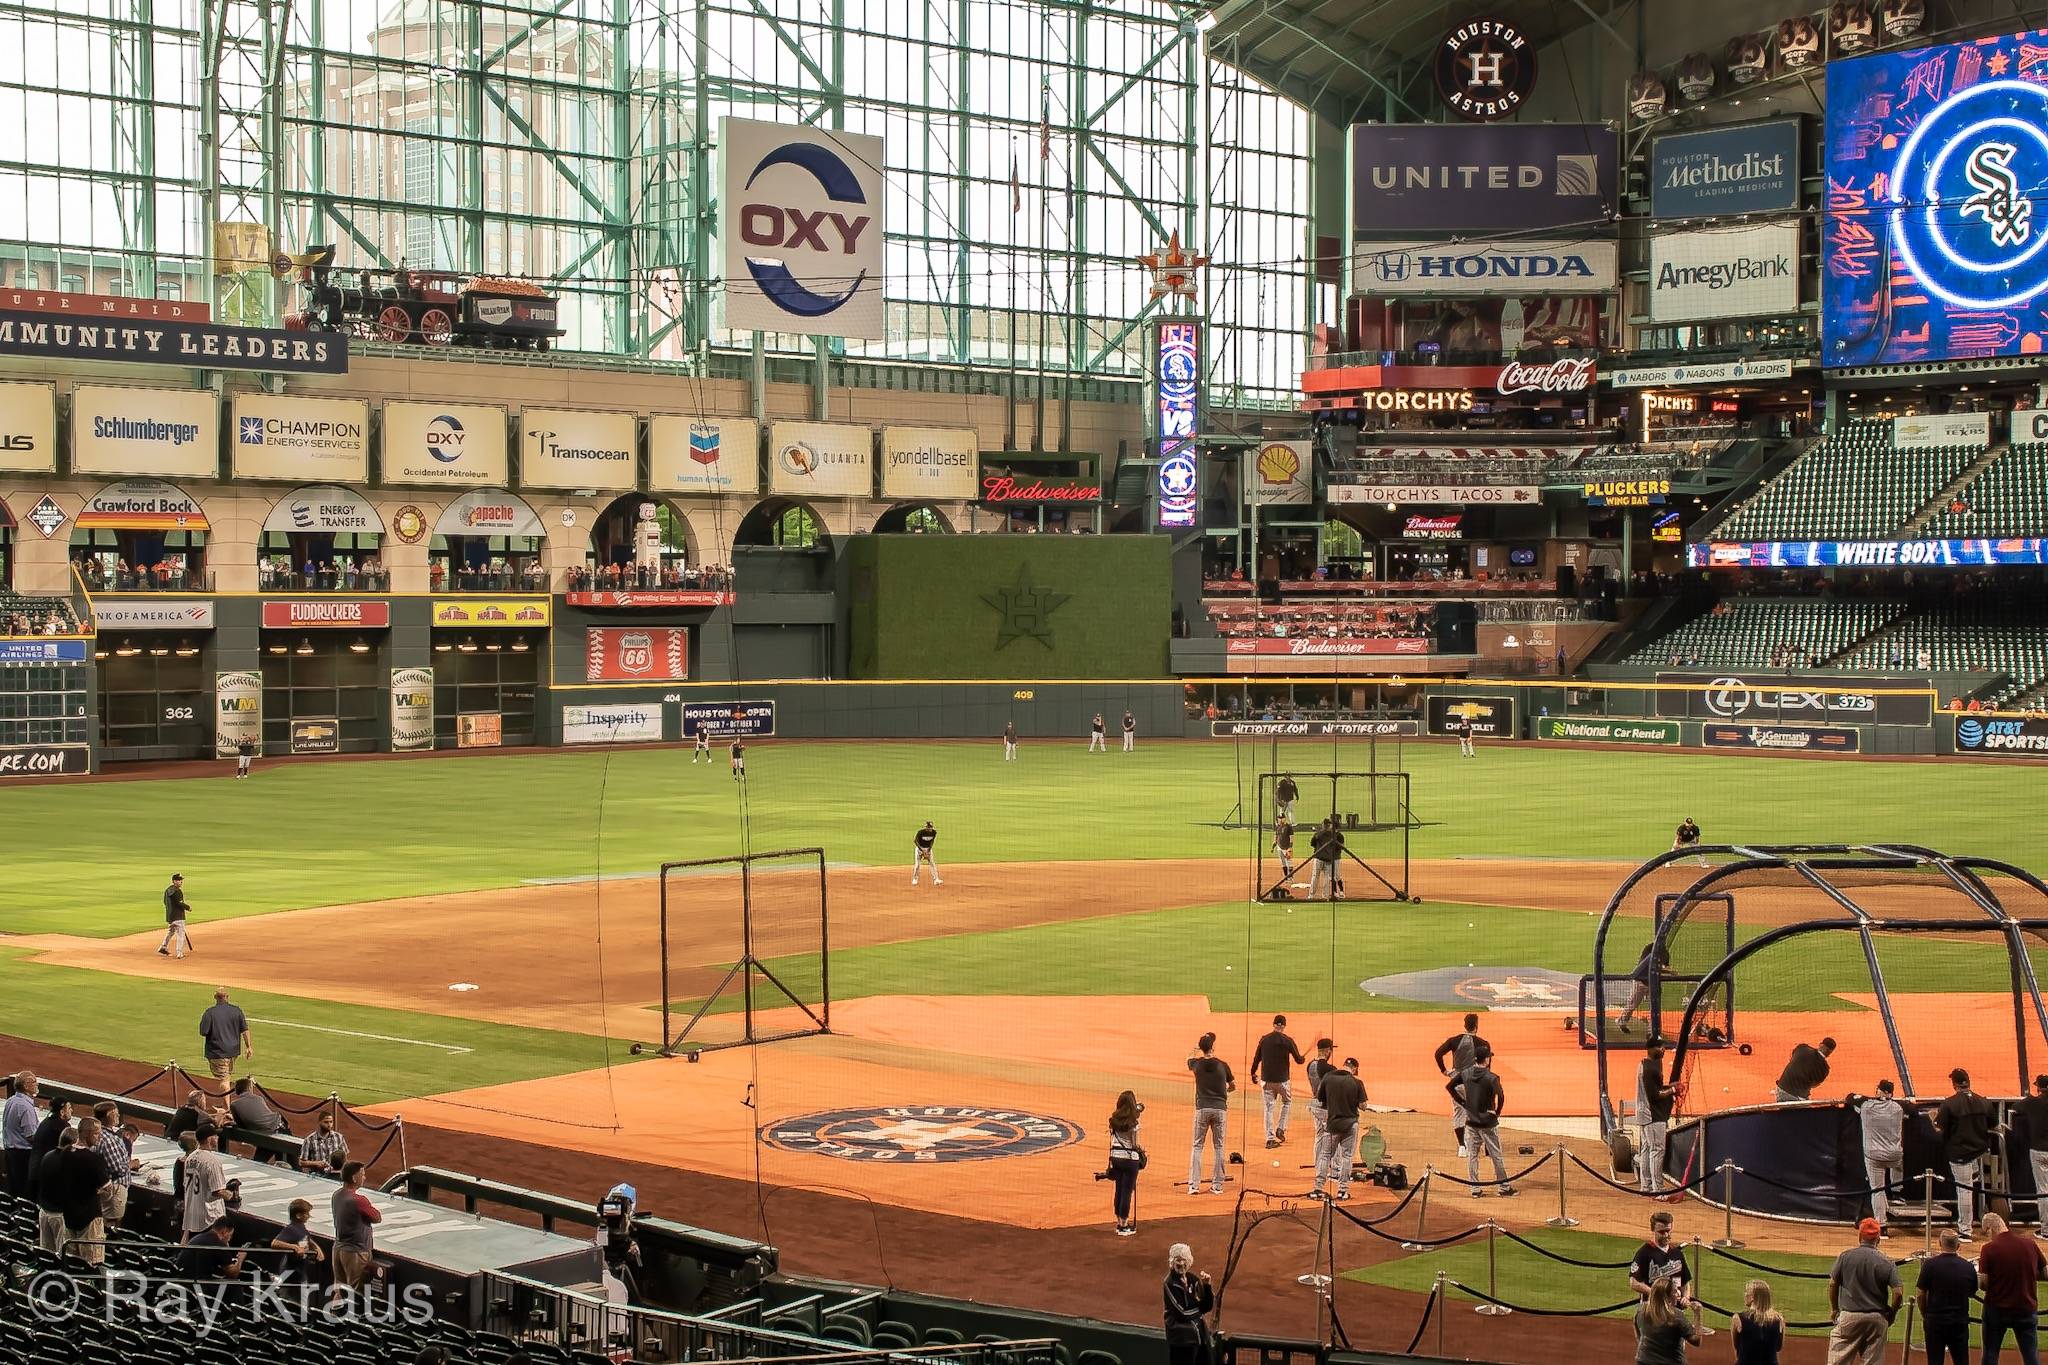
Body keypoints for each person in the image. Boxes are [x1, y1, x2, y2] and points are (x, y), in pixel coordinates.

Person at [1827, 1217, 1903, 1365]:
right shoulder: (1887, 1261)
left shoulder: (1845, 1256)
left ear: (1860, 1236)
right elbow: (1898, 1293)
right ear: (1878, 1239)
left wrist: (1835, 1309)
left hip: (1850, 1317)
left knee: (1838, 1361)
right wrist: (1891, 1315)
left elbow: (1832, 1284)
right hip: (1877, 1318)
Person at [1446, 1044, 1515, 1197]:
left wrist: (1463, 1102)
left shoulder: (1466, 1073)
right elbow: (1501, 1096)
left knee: (1472, 1155)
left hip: (1471, 1121)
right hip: (1488, 1122)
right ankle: (1504, 1187)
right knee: (1496, 1154)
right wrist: (1497, 1112)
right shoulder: (1492, 1077)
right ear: (1487, 1059)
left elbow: (1450, 1086)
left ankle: (1475, 1189)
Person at [1979, 1211, 2046, 1364]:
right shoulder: (2030, 1244)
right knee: (2031, 1356)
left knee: (1990, 1354)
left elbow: (1983, 1284)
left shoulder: (1988, 1249)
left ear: (1990, 1228)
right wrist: (2025, 1275)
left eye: (1986, 1232)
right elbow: (2046, 1272)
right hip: (2026, 1308)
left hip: (1996, 1309)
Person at [1935, 1067, 1994, 1240]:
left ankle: (1965, 1231)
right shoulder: (1984, 1102)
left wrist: (1933, 1120)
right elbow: (1993, 1125)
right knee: (1970, 1186)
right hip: (1979, 1152)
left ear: (1954, 1084)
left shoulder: (1949, 1103)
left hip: (1961, 1154)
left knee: (1964, 1191)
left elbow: (1940, 1128)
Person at [1916, 1228, 1978, 1365]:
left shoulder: (1929, 1265)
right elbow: (1972, 1292)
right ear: (1958, 1245)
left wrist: (1925, 1314)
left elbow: (1920, 1294)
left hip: (1935, 1321)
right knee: (1962, 1361)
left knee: (1934, 1361)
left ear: (1939, 1243)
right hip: (1959, 1322)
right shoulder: (1967, 1267)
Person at [56, 1115, 112, 1265]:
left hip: (69, 1216)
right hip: (90, 1218)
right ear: (86, 1133)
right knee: (91, 1264)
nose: (99, 1137)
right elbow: (108, 1190)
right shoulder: (94, 1159)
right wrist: (96, 1191)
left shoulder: (65, 1152)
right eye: (97, 1133)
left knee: (72, 1263)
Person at [1853, 1080, 1906, 1232]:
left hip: (1874, 1157)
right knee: (1899, 1159)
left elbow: (1851, 1098)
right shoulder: (1898, 1108)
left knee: (1877, 1189)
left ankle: (1882, 1226)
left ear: (1879, 1091)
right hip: (1894, 1156)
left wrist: (1874, 1098)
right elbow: (1913, 1109)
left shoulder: (1867, 1106)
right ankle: (1897, 1192)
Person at [1312, 1056, 1366, 1202]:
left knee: (1325, 1155)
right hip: (1350, 1124)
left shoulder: (1329, 1077)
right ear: (1354, 1069)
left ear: (1343, 1065)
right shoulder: (1356, 1082)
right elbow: (1363, 1106)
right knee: (1347, 1157)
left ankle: (1317, 1189)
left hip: (1332, 1124)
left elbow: (1320, 1099)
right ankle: (1342, 1191)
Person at [1186, 1033, 1233, 1196]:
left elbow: (1189, 1058)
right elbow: (1232, 1085)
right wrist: (1224, 1090)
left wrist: (1196, 1048)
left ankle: (1193, 1186)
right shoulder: (1222, 1065)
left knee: (1197, 1146)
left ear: (1202, 1048)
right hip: (1220, 1109)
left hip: (1202, 1109)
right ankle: (1218, 1185)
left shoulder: (1196, 1064)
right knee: (1219, 1146)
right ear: (1213, 1047)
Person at [1435, 1014, 1487, 1156]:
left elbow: (1438, 1053)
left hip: (1457, 1083)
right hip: (1475, 1084)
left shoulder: (1454, 1041)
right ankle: (1484, 1146)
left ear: (1464, 1025)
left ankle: (1462, 1147)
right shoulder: (1483, 1043)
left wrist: (1444, 1071)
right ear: (1476, 1025)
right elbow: (1487, 1069)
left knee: (1459, 1113)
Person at [1250, 1015, 1304, 1148]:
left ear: (1274, 1025)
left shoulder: (1264, 1040)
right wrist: (1302, 1058)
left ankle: (1269, 1139)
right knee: (1287, 1102)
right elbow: (1299, 1060)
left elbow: (1257, 1058)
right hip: (1282, 1081)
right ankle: (1281, 1128)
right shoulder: (1288, 1040)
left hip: (1267, 1080)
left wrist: (1253, 1073)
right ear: (1284, 1026)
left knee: (1268, 1108)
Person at [331, 1160, 382, 1292]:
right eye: (362, 1174)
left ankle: (334, 1312)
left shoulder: (336, 1195)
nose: (364, 1177)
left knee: (339, 1289)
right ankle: (351, 1313)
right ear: (354, 1178)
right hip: (355, 1252)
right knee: (356, 1292)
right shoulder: (359, 1200)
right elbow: (377, 1217)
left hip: (338, 1248)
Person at [1162, 1243, 1214, 1365]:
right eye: (1177, 1260)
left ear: (1189, 1261)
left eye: (1183, 1260)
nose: (1181, 1263)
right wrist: (1199, 1311)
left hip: (1200, 1337)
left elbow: (1207, 1306)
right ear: (1172, 1262)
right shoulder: (1169, 1283)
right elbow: (1181, 1313)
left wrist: (1207, 1286)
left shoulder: (1193, 1279)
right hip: (1181, 1340)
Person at [1637, 1041, 1677, 1197]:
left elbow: (1655, 1089)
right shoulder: (1649, 1069)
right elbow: (1655, 1095)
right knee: (1657, 1150)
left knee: (1647, 1149)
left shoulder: (1644, 1064)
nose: (1663, 1050)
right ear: (1651, 1049)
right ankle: (1658, 1190)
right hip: (1652, 1115)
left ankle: (1645, 1187)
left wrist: (1669, 1087)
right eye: (1661, 1047)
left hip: (1644, 1113)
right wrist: (1673, 1090)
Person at [1634, 1275, 1701, 1365]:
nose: (1678, 1294)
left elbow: (1635, 1325)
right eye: (1674, 1291)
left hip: (1644, 1360)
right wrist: (1698, 1314)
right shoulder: (1675, 1315)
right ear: (1667, 1296)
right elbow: (1696, 1340)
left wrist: (1643, 1343)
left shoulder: (1641, 1310)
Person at [91, 1102, 138, 1229]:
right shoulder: (109, 1140)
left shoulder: (96, 1133)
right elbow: (118, 1169)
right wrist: (131, 1165)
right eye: (115, 1113)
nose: (118, 1115)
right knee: (111, 1225)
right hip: (114, 1188)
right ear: (107, 1115)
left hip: (102, 1186)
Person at [1629, 1211, 1692, 1301]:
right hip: (1652, 1308)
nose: (1666, 1235)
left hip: (1675, 1308)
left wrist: (1686, 1297)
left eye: (1668, 1231)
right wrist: (1656, 1294)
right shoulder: (1644, 1253)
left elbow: (1685, 1282)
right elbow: (1634, 1283)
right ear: (1653, 1230)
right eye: (1662, 1232)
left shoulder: (1677, 1253)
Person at [199, 986, 253, 1091]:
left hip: (217, 1052)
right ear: (227, 997)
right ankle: (226, 1104)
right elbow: (245, 1030)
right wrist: (249, 1047)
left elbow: (203, 1032)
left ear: (215, 997)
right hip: (233, 1052)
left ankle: (226, 1107)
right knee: (227, 1077)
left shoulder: (210, 1012)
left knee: (224, 1080)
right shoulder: (236, 1011)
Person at [1106, 1091, 1145, 1236]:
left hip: (1115, 1158)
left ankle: (1119, 1221)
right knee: (1127, 1192)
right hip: (1130, 1160)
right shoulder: (1133, 1123)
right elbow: (1135, 1144)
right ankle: (1123, 1225)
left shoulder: (1113, 1120)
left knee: (1119, 1189)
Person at [181, 1128, 230, 1239]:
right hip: (209, 1217)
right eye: (215, 1136)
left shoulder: (190, 1157)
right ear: (209, 1139)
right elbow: (217, 1191)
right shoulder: (212, 1161)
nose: (217, 1138)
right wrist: (230, 1194)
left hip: (192, 1213)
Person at [33, 1129, 75, 1254]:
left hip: (45, 1211)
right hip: (59, 1215)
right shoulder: (68, 1161)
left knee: (47, 1255)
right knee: (61, 1255)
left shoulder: (48, 1156)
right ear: (72, 1143)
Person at [1616, 940, 1670, 1034]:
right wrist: (1663, 969)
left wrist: (1668, 971)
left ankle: (1651, 1031)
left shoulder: (1665, 952)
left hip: (1653, 983)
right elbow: (1647, 965)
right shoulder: (1649, 948)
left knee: (1654, 1007)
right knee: (1633, 1004)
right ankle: (1622, 1022)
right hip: (1641, 981)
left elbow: (1665, 966)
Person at [269, 1198, 326, 1285]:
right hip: (290, 1276)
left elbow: (307, 1238)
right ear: (298, 1215)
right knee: (291, 1297)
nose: (309, 1216)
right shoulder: (291, 1229)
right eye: (306, 1213)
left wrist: (317, 1248)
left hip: (300, 1273)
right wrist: (294, 1247)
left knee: (303, 1296)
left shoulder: (301, 1227)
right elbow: (274, 1243)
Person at [228, 1077, 289, 1155]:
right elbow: (264, 1116)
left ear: (236, 1089)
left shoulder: (234, 1104)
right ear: (249, 1089)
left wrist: (232, 1122)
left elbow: (242, 1126)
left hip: (266, 1134)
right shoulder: (259, 1098)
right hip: (279, 1127)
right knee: (288, 1161)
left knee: (260, 1160)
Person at [177, 1216, 246, 1281]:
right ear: (224, 1231)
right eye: (230, 1235)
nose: (229, 1239)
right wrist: (240, 1259)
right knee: (236, 1287)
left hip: (181, 1280)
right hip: (198, 1286)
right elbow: (233, 1274)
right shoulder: (219, 1244)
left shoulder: (199, 1237)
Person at [1732, 1279, 1784, 1365]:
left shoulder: (1738, 1319)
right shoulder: (1779, 1319)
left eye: (1746, 1292)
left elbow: (1737, 1346)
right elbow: (1778, 1347)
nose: (1744, 1294)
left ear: (1752, 1297)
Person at [2021, 1074, 2048, 1236]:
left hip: (2039, 1151)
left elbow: (2017, 1107)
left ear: (2038, 1088)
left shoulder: (2032, 1102)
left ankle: (2046, 1230)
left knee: (2044, 1190)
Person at [3, 1071, 38, 1196]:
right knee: (24, 1192)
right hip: (22, 1155)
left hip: (10, 1151)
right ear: (26, 1086)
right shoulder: (25, 1106)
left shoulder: (11, 1100)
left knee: (13, 1190)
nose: (37, 1084)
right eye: (34, 1082)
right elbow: (31, 1136)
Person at [1774, 1037, 1836, 1104]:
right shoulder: (1824, 1069)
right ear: (1830, 1052)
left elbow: (1792, 1057)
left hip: (1781, 1090)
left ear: (1820, 1044)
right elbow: (1814, 1085)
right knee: (1806, 1112)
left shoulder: (1802, 1048)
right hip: (1797, 1098)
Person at [1304, 1038, 1336, 1147]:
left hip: (1315, 1104)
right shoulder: (1330, 1068)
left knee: (1319, 1136)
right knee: (1332, 1136)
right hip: (1326, 1107)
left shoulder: (1310, 1065)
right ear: (1328, 1051)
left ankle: (1318, 1163)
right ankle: (1332, 1163)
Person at [299, 1108, 349, 1175]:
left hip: (334, 1174)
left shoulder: (339, 1137)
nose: (329, 1125)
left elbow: (344, 1157)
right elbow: (301, 1162)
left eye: (331, 1122)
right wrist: (316, 1163)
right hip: (317, 1174)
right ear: (319, 1122)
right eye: (326, 1122)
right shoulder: (309, 1140)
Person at [159, 872, 193, 958]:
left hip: (170, 916)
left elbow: (165, 902)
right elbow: (180, 903)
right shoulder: (177, 891)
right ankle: (179, 953)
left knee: (171, 931)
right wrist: (188, 907)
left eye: (181, 880)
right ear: (174, 881)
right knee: (180, 934)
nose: (180, 882)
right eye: (178, 880)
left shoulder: (168, 890)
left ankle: (163, 947)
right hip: (178, 916)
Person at [1273, 817, 1296, 888]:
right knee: (1283, 863)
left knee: (1289, 862)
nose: (1280, 820)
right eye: (1279, 818)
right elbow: (1276, 836)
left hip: (1287, 847)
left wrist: (1290, 847)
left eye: (1282, 818)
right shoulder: (1278, 827)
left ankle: (1291, 878)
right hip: (1279, 847)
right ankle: (1286, 877)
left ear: (1284, 819)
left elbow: (1291, 838)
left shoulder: (1289, 827)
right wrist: (1273, 846)